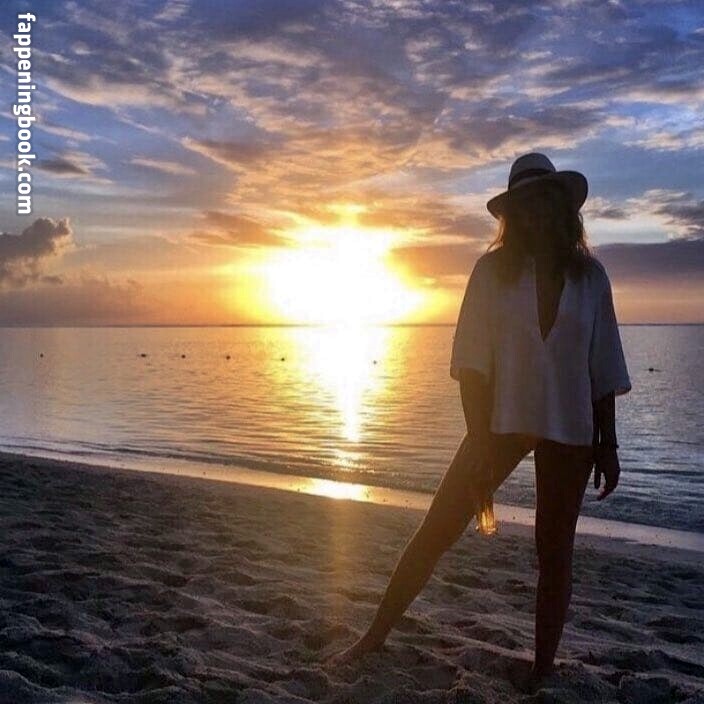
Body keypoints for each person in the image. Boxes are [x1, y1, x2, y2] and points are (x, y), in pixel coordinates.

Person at [325, 152, 632, 689]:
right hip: (498, 422)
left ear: (562, 207)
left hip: (571, 425)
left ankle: (541, 671)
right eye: (523, 205)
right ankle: (372, 636)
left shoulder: (591, 278)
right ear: (511, 216)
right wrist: (480, 442)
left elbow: (602, 365)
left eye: (543, 201)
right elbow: (471, 362)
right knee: (437, 529)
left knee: (554, 553)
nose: (535, 213)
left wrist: (608, 444)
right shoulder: (492, 273)